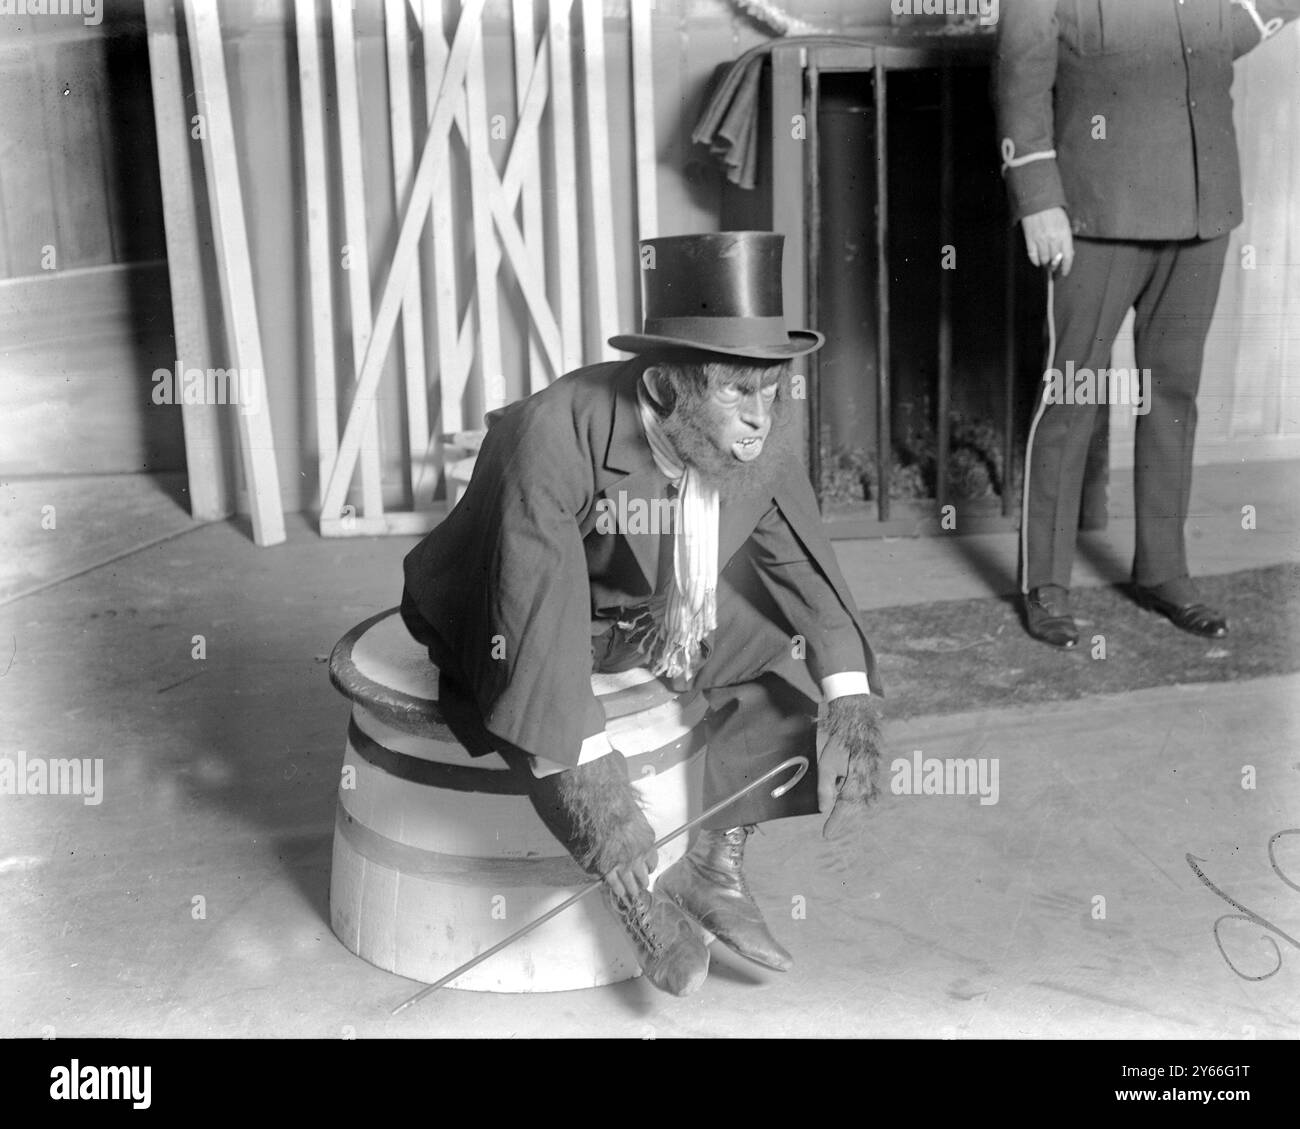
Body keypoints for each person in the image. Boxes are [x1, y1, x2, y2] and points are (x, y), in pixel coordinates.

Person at [399, 232, 886, 997]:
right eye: (737, 392)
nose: (761, 418)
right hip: (503, 604)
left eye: (773, 388)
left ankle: (710, 869)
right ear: (664, 390)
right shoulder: (554, 431)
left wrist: (851, 700)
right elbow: (535, 621)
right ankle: (639, 896)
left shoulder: (761, 429)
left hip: (645, 610)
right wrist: (607, 807)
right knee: (534, 703)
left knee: (780, 654)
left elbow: (800, 563)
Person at [995, 0, 1299, 648]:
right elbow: (1020, 74)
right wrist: (1037, 199)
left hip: (1200, 207)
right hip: (1096, 212)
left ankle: (1164, 570)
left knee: (1174, 394)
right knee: (1074, 393)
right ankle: (1045, 582)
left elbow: (1217, 42)